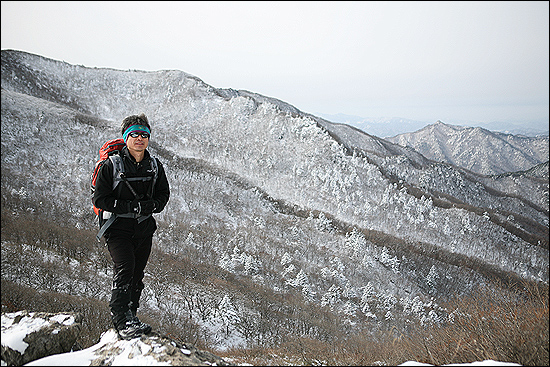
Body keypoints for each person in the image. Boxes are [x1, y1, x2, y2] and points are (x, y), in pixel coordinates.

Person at [93, 113, 170, 339]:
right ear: (126, 137)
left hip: (144, 228)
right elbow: (100, 199)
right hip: (117, 228)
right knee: (125, 268)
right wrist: (130, 206)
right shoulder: (111, 166)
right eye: (134, 134)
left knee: (137, 273)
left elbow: (163, 195)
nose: (139, 139)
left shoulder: (155, 166)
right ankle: (120, 319)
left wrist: (150, 206)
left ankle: (131, 315)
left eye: (144, 135)